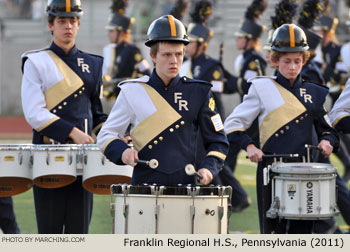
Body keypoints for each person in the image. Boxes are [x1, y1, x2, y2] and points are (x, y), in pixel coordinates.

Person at [224, 24, 339, 234]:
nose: (293, 67)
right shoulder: (261, 88)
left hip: (305, 172)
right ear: (275, 60)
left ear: (305, 60)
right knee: (272, 233)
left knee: (302, 234)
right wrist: (249, 146)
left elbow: (328, 129)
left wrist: (327, 141)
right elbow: (231, 125)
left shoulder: (314, 92)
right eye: (287, 61)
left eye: (298, 61)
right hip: (271, 171)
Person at [97, 15, 228, 186]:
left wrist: (208, 170)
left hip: (187, 188)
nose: (174, 61)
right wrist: (123, 153)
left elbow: (218, 141)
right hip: (144, 190)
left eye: (178, 54)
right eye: (167, 54)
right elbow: (106, 134)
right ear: (153, 56)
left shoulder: (198, 92)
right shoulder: (132, 91)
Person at [21, 0, 107, 234]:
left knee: (79, 234)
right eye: (61, 21)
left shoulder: (94, 64)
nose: (68, 26)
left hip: (83, 162)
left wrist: (114, 135)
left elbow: (97, 114)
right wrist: (72, 132)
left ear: (78, 24)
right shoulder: (36, 62)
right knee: (49, 234)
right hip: (47, 159)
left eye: (72, 20)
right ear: (50, 25)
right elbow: (34, 113)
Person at [102, 2, 151, 103]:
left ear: (122, 32)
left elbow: (146, 74)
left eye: (112, 31)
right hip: (119, 98)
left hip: (131, 99)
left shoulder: (132, 50)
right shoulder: (114, 50)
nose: (108, 34)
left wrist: (130, 82)